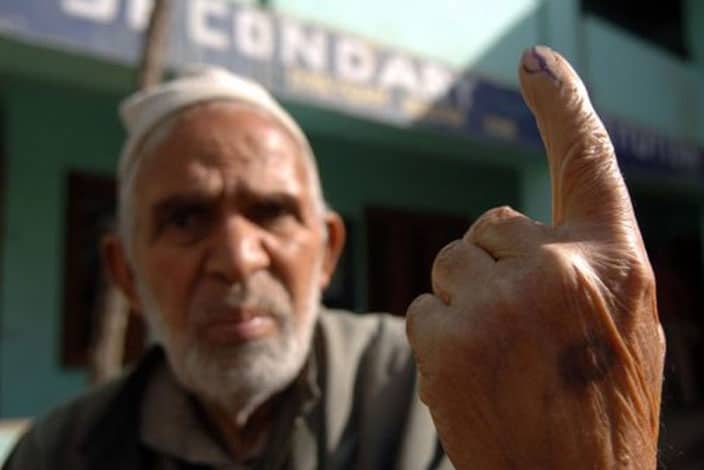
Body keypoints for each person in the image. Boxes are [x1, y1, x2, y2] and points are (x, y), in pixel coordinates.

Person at [3, 46, 665, 469]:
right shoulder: (61, 452)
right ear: (124, 271)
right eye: (184, 219)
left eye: (271, 213)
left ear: (326, 253)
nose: (237, 260)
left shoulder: (440, 389)